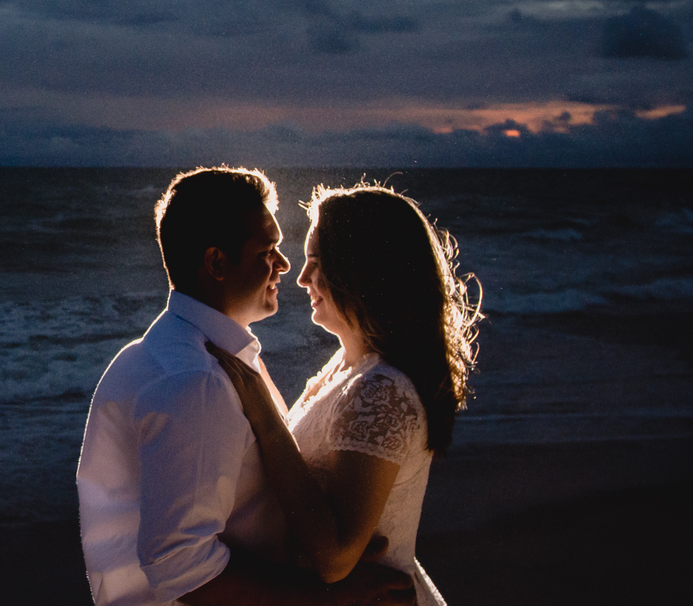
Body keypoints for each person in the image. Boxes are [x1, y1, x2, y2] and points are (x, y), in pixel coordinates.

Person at [76, 167, 416, 606]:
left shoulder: (177, 355)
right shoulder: (196, 382)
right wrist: (327, 596)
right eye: (268, 250)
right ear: (217, 262)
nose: (285, 265)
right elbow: (184, 570)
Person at [207, 183, 481, 606]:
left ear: (362, 271)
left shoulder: (382, 390)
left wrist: (263, 414)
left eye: (316, 262)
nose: (301, 277)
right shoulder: (347, 366)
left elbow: (334, 557)